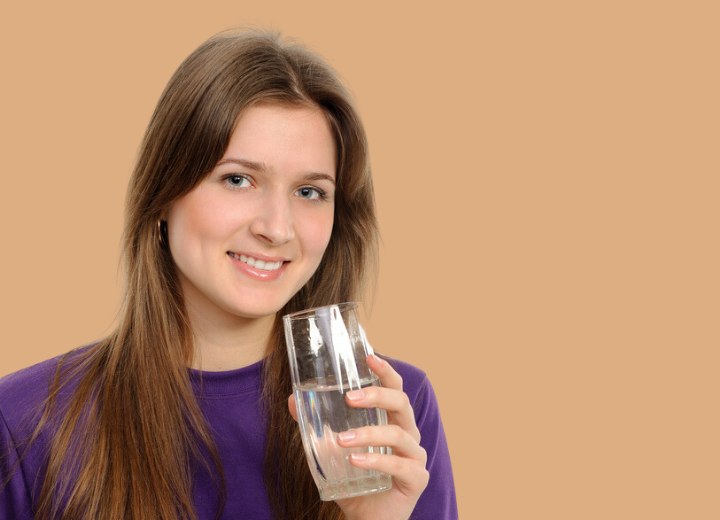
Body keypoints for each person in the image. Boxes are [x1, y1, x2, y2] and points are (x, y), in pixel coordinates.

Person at [0, 30, 457, 520]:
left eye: (310, 192)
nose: (276, 229)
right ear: (163, 197)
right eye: (237, 179)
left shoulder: (392, 414)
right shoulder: (27, 422)